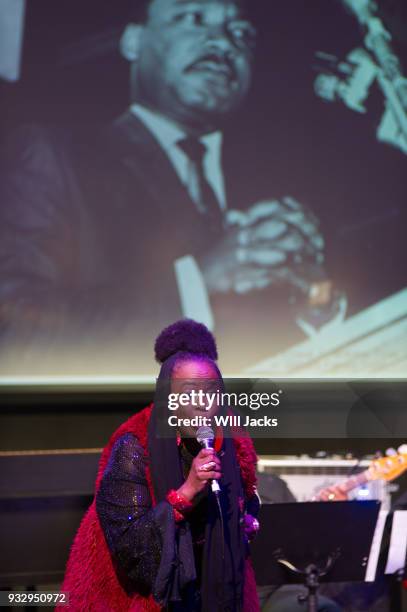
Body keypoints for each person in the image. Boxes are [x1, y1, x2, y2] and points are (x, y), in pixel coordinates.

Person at [0, 0, 334, 376]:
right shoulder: (55, 158)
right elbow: (16, 340)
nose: (224, 43)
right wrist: (199, 284)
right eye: (192, 17)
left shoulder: (283, 176)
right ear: (133, 41)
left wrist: (317, 298)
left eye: (241, 33)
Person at [59, 319, 261, 611]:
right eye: (191, 391)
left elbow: (247, 503)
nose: (203, 402)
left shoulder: (233, 441)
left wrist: (245, 522)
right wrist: (187, 492)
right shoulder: (133, 447)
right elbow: (133, 552)